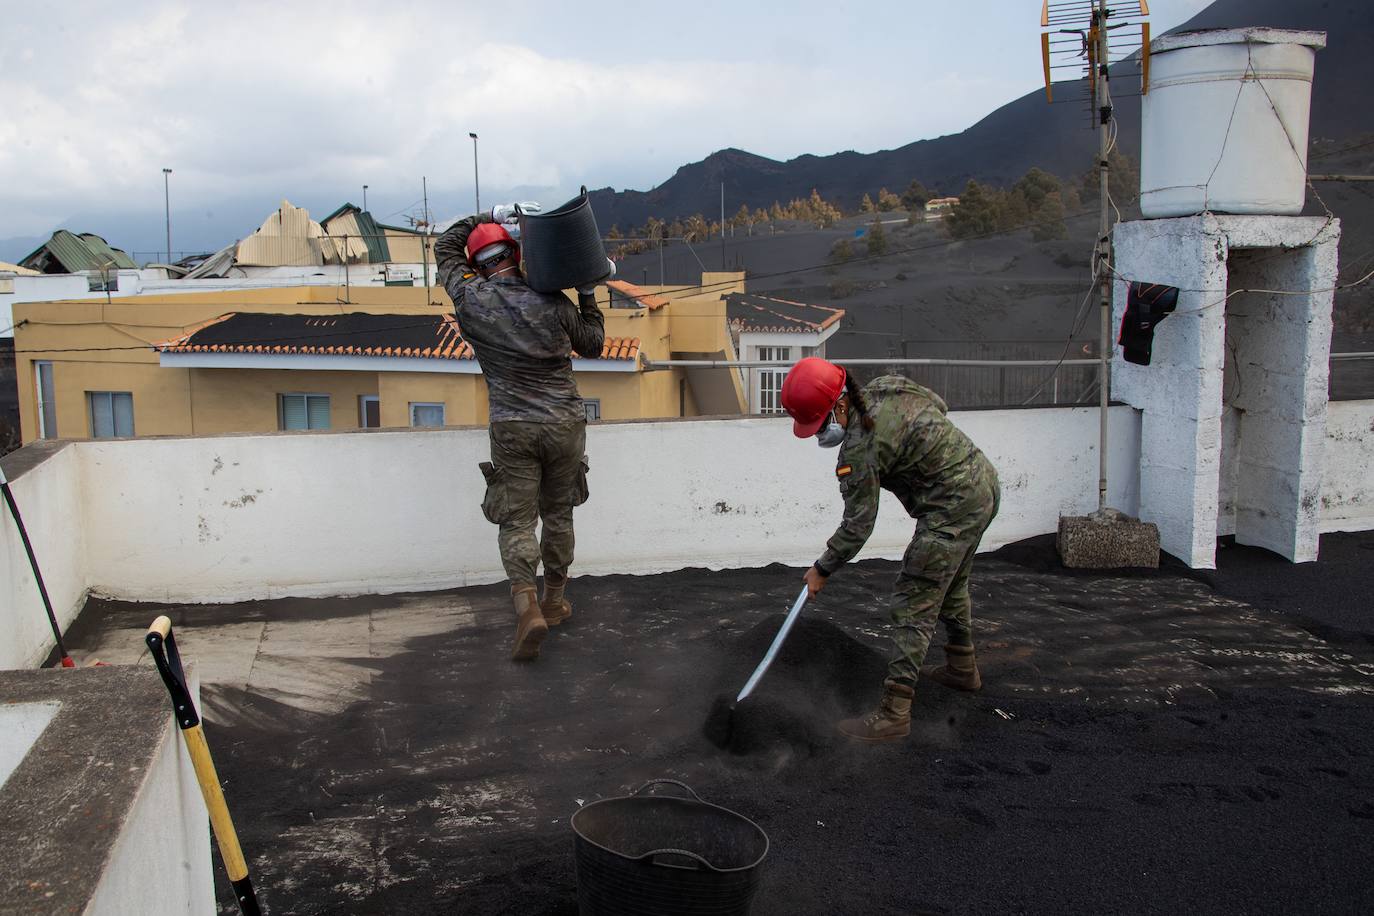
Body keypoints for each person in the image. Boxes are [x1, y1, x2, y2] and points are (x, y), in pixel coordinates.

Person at [781, 357, 1000, 743]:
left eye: (820, 425)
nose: (820, 436)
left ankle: (893, 714)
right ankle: (962, 668)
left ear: (840, 405)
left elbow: (858, 525)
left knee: (913, 599)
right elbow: (938, 405)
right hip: (982, 483)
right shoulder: (886, 387)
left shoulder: (859, 449)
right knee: (951, 584)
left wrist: (822, 568)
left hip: (951, 505)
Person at [435, 212, 606, 662]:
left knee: (517, 519)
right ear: (515, 254)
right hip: (564, 423)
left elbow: (444, 247)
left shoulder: (469, 297)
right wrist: (587, 292)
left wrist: (487, 215)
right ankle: (554, 600)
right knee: (559, 513)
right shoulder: (552, 299)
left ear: (477, 264)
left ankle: (527, 606)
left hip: (512, 426)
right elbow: (592, 344)